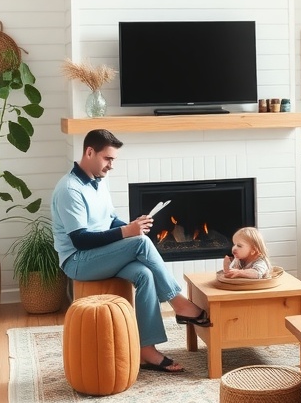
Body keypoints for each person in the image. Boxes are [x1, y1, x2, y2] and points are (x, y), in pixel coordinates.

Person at [51, 128, 211, 374]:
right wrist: (129, 233)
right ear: (89, 152)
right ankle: (179, 304)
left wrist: (131, 226)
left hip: (101, 253)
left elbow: (111, 220)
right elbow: (80, 240)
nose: (111, 165)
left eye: (113, 159)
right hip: (78, 261)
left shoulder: (99, 182)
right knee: (141, 243)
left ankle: (146, 350)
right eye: (108, 159)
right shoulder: (70, 190)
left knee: (144, 274)